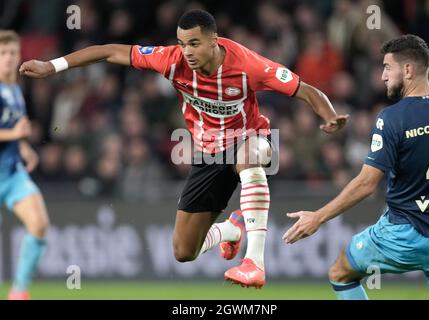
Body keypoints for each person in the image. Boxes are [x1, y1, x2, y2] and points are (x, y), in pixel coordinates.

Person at [20, 9, 348, 288]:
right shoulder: (171, 60)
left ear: (213, 42)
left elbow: (305, 90)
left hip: (250, 138)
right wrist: (53, 66)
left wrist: (330, 115)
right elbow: (108, 51)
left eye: (194, 43)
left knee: (253, 155)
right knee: (183, 251)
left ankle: (255, 262)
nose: (186, 51)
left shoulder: (248, 65)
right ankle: (231, 229)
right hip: (208, 156)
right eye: (181, 43)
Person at [283, 34, 429, 299]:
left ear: (407, 70)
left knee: (340, 273)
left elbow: (366, 183)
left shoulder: (392, 118)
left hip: (403, 235)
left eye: (387, 67)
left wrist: (318, 217)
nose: (383, 76)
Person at [0, 30, 49, 300]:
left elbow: (11, 129)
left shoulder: (16, 90)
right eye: (3, 54)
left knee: (39, 225)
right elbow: (11, 130)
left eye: (12, 53)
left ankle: (18, 292)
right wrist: (15, 135)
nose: (8, 59)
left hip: (12, 174)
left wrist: (24, 147)